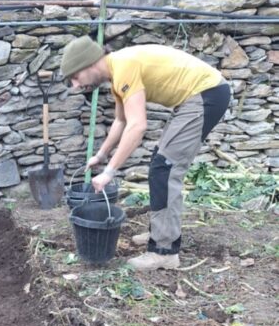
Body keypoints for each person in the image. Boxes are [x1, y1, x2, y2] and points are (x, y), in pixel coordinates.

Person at [60, 36, 231, 271]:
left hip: (207, 94)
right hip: (198, 96)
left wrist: (109, 172)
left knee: (165, 168)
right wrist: (100, 155)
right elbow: (121, 121)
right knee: (161, 164)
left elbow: (137, 125)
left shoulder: (124, 67)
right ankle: (161, 231)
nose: (76, 85)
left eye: (75, 77)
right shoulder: (117, 71)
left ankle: (164, 251)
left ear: (89, 64)